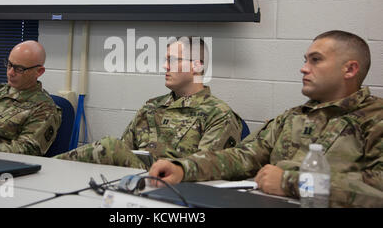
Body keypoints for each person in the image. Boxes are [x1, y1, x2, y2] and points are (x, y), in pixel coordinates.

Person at [149, 30, 383, 207]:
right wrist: (183, 168)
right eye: (305, 60)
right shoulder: (292, 118)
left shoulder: (374, 119)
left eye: (316, 60)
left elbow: (377, 187)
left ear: (350, 70)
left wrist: (289, 183)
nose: (303, 68)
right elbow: (243, 156)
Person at [54, 37, 243, 169]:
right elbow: (124, 151)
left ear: (197, 66)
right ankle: (51, 167)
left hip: (177, 191)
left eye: (173, 60)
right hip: (132, 186)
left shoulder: (219, 114)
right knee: (109, 149)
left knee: (109, 147)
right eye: (166, 60)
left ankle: (50, 167)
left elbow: (206, 169)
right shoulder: (152, 107)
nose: (165, 66)